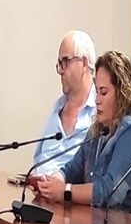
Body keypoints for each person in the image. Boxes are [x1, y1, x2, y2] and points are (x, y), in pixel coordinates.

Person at [29, 50, 131, 216]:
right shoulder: (99, 129)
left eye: (104, 92)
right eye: (96, 92)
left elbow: (109, 192)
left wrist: (65, 191)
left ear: (122, 94)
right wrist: (51, 183)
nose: (97, 100)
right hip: (95, 219)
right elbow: (73, 169)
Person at [29, 30, 96, 175]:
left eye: (65, 61)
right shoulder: (56, 110)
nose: (60, 70)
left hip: (73, 188)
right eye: (60, 63)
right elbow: (37, 162)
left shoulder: (100, 112)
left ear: (84, 64)